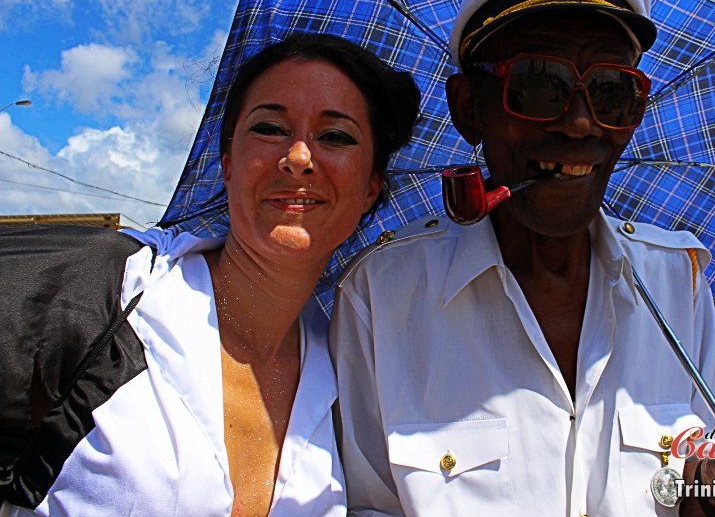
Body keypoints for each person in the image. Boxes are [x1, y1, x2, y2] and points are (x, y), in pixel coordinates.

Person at [331, 0, 715, 516]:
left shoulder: (676, 280)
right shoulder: (381, 296)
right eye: (538, 83)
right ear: (467, 108)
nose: (581, 123)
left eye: (612, 91)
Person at [0, 33, 420, 516]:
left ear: (370, 188)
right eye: (269, 128)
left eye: (335, 137)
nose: (299, 158)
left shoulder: (354, 374)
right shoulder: (106, 290)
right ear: (227, 165)